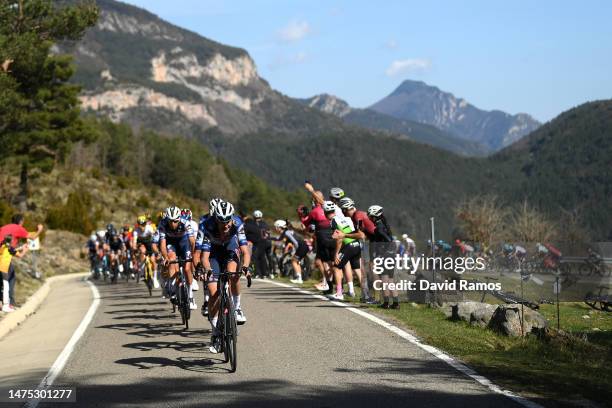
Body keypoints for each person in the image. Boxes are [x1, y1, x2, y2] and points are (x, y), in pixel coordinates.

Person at [194, 200, 252, 353]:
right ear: (216, 219)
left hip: (230, 250)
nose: (226, 225)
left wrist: (246, 267)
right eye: (222, 222)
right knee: (214, 294)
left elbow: (245, 251)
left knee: (233, 274)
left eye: (228, 221)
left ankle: (237, 307)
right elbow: (204, 257)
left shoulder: (237, 223)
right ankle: (215, 332)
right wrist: (206, 270)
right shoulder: (206, 226)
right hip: (212, 254)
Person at [333, 197, 377, 304]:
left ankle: (374, 297)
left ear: (347, 209)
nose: (342, 213)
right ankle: (367, 296)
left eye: (343, 210)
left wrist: (344, 235)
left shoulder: (357, 215)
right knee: (363, 270)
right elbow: (361, 233)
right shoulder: (356, 215)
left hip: (377, 244)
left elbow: (361, 235)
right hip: (373, 243)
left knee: (373, 271)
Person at [0, 214, 44, 307]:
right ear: (20, 221)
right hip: (4, 258)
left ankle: (5, 301)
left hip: (3, 253)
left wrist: (21, 248)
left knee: (6, 278)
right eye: (23, 221)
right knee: (9, 278)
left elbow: (11, 250)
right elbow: (32, 237)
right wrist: (39, 230)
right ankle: (9, 302)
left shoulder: (4, 227)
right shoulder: (18, 228)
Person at [158, 206, 197, 310]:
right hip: (171, 243)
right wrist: (165, 257)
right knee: (171, 259)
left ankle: (190, 296)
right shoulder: (162, 224)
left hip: (184, 243)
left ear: (179, 218)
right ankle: (174, 290)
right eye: (170, 221)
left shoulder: (185, 223)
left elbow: (192, 241)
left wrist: (194, 256)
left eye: (175, 221)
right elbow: (162, 244)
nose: (172, 224)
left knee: (187, 268)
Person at [324, 201, 362, 301]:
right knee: (357, 269)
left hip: (349, 245)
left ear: (325, 212)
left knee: (336, 267)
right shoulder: (342, 218)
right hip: (356, 244)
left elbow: (339, 238)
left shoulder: (333, 221)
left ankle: (339, 293)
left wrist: (336, 253)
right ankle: (366, 294)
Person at [367, 205, 400, 309]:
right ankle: (395, 303)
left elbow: (389, 241)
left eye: (370, 216)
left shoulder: (379, 227)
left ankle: (386, 303)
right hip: (391, 255)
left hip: (385, 256)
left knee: (384, 280)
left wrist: (382, 253)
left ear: (375, 216)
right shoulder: (384, 225)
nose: (369, 218)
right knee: (390, 280)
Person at [274, 219, 309, 284]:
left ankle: (299, 278)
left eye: (276, 227)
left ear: (279, 227)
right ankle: (299, 278)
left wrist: (297, 248)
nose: (275, 228)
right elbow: (278, 239)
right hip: (303, 245)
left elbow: (294, 241)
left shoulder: (286, 232)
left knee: (293, 260)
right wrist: (269, 238)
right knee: (296, 261)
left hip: (301, 246)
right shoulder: (286, 232)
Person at [1, 235, 28, 312]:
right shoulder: (10, 249)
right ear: (11, 241)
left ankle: (1, 304)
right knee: (6, 287)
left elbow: (11, 250)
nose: (14, 241)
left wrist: (20, 248)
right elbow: (20, 255)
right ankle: (5, 306)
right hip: (3, 269)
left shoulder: (3, 246)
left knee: (2, 287)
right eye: (13, 240)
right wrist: (25, 250)